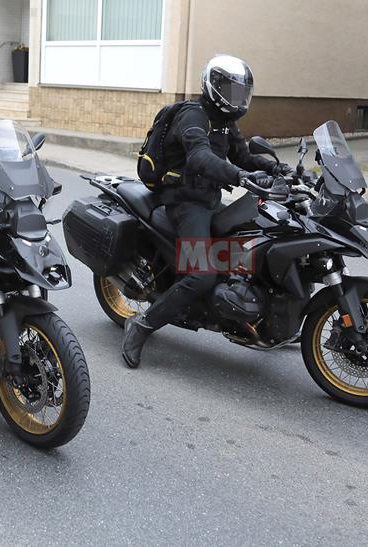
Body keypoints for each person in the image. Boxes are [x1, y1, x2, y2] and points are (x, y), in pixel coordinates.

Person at [122, 54, 293, 369]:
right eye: (232, 91)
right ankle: (142, 325)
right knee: (201, 275)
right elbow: (200, 157)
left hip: (209, 199)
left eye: (242, 93)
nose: (238, 99)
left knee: (254, 244)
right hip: (184, 203)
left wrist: (277, 167)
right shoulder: (194, 116)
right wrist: (240, 177)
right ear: (213, 87)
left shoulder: (226, 121)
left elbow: (241, 154)